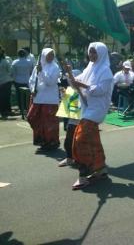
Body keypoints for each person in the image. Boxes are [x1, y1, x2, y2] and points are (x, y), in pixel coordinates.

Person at [65, 42, 113, 190]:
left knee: (80, 140)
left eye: (94, 52)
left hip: (97, 109)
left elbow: (101, 90)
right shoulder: (89, 68)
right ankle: (100, 168)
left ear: (101, 53)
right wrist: (70, 73)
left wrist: (83, 86)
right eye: (90, 52)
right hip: (87, 107)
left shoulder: (106, 71)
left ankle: (84, 174)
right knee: (92, 140)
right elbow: (75, 83)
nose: (91, 55)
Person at [27, 48, 61, 150]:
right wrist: (33, 89)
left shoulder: (55, 67)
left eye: (52, 55)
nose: (50, 57)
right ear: (43, 56)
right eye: (48, 55)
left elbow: (50, 82)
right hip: (38, 98)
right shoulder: (37, 67)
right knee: (33, 117)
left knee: (49, 122)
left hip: (50, 99)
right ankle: (41, 140)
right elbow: (32, 80)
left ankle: (51, 142)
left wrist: (41, 72)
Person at [57, 69, 82, 167]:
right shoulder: (70, 89)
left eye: (71, 79)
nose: (69, 81)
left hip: (83, 120)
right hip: (72, 119)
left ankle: (81, 159)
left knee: (80, 141)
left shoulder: (83, 90)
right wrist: (63, 94)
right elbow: (66, 102)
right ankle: (69, 158)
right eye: (69, 79)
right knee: (68, 140)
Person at [11, 49, 35, 117]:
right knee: (27, 95)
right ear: (25, 54)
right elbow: (31, 71)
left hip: (17, 81)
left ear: (18, 54)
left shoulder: (15, 62)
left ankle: (20, 108)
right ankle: (26, 107)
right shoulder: (29, 62)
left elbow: (12, 73)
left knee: (19, 95)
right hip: (27, 80)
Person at [0, 47, 13, 119]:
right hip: (5, 80)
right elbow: (10, 71)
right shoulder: (5, 61)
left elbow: (10, 71)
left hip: (5, 81)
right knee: (4, 97)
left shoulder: (5, 61)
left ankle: (6, 110)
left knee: (5, 97)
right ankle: (4, 111)